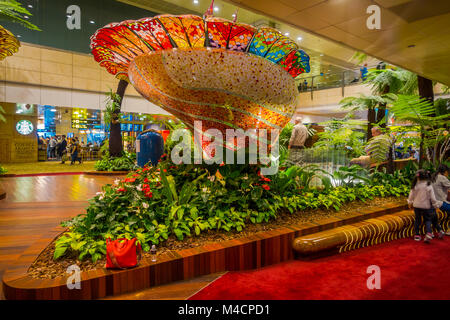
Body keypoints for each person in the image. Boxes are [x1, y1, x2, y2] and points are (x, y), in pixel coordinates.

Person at [408, 169, 445, 243]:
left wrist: (410, 203)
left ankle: (417, 235)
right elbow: (433, 198)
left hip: (416, 206)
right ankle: (428, 233)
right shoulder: (429, 186)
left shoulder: (415, 185)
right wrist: (435, 205)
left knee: (417, 220)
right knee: (427, 220)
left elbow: (411, 196)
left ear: (417, 177)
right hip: (426, 206)